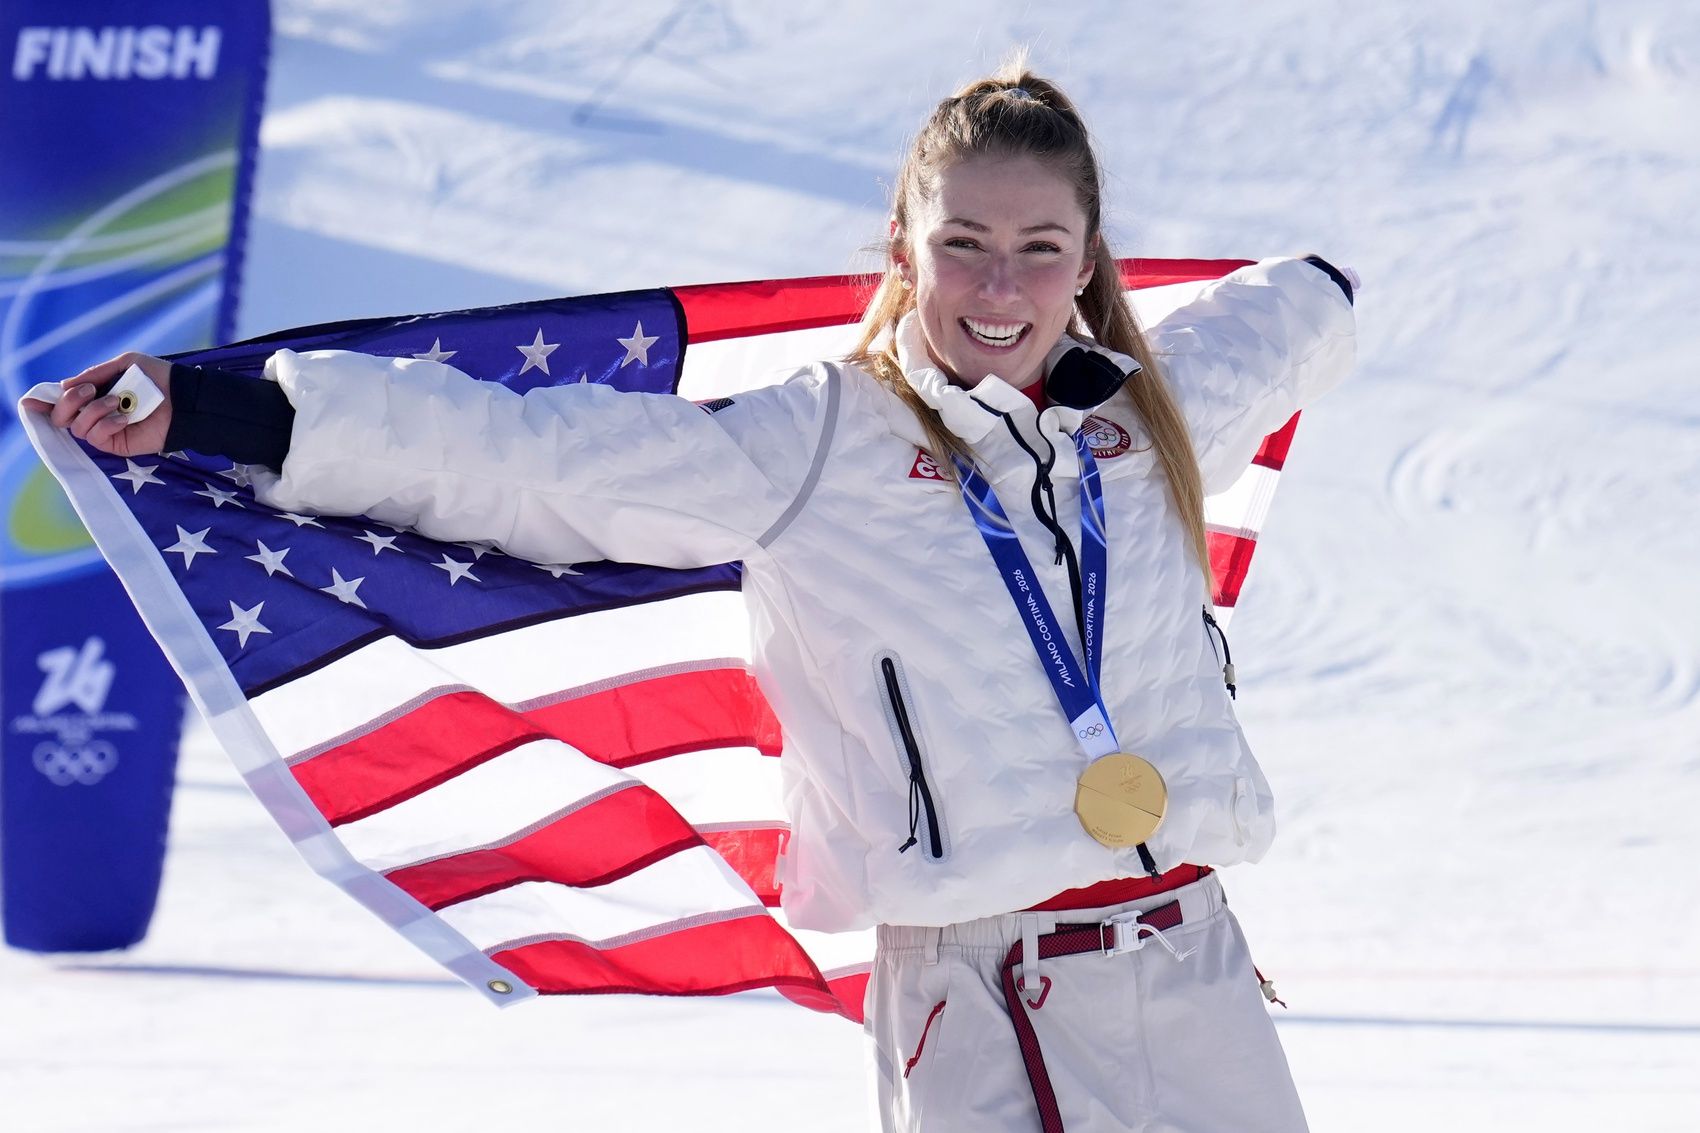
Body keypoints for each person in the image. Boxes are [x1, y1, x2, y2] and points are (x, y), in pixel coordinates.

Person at [30, 62, 1355, 1133]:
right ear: (903, 245)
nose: (999, 289)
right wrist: (225, 411)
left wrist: (1324, 289)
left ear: (1087, 257)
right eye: (963, 244)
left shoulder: (1152, 417)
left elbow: (1302, 304)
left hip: (1196, 975)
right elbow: (530, 464)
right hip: (982, 996)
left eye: (1037, 247)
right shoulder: (819, 443)